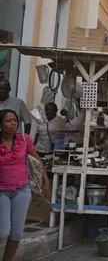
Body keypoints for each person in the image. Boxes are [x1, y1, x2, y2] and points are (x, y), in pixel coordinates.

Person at [0, 109, 50, 261]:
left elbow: (37, 160)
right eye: (9, 121)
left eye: (15, 120)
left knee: (17, 233)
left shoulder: (24, 139)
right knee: (2, 231)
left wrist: (45, 180)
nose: (13, 123)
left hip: (22, 190)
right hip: (2, 191)